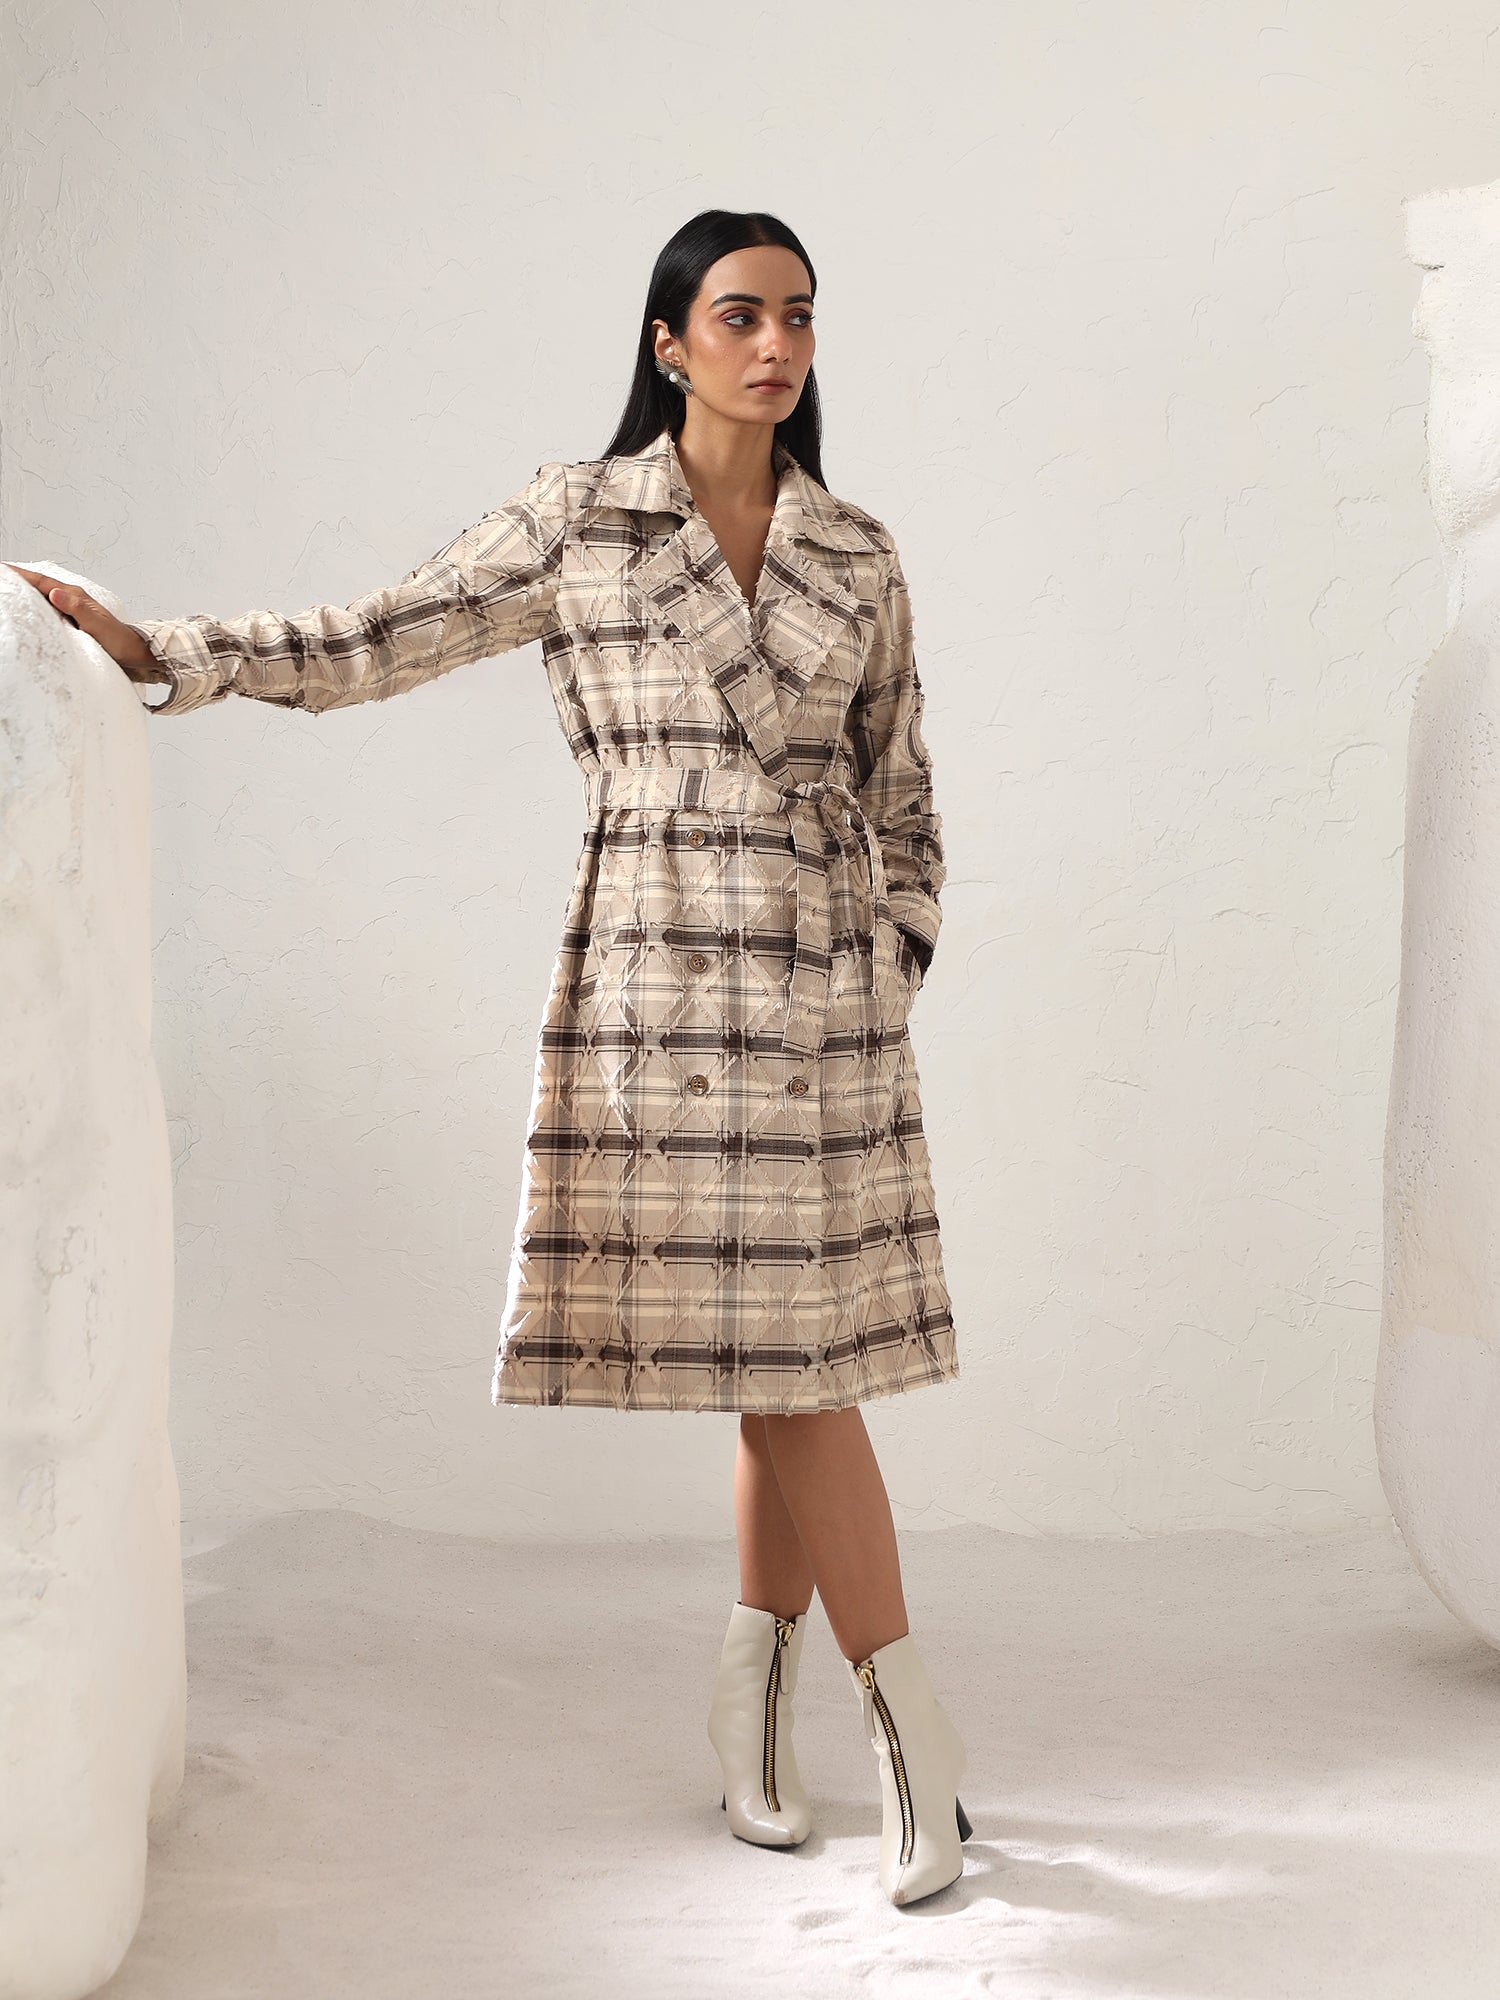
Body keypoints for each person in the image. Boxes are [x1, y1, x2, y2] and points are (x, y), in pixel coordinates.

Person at [6, 207, 972, 1907]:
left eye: (800, 319)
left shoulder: (858, 551)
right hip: (665, 989)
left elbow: (904, 787)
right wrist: (171, 654)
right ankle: (863, 1733)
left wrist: (895, 952)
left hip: (823, 1007)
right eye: (739, 317)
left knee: (794, 1364)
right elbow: (383, 634)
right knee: (782, 1362)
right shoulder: (583, 521)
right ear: (669, 342)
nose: (776, 347)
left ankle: (824, 1724)